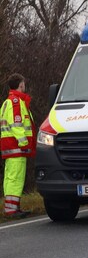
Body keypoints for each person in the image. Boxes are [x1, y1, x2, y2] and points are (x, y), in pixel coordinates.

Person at [1, 73, 35, 217]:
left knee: (10, 178)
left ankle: (11, 208)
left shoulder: (8, 101)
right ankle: (11, 210)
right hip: (17, 148)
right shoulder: (16, 102)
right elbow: (16, 125)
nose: (24, 86)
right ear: (21, 85)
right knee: (16, 178)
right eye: (23, 84)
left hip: (10, 147)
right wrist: (25, 143)